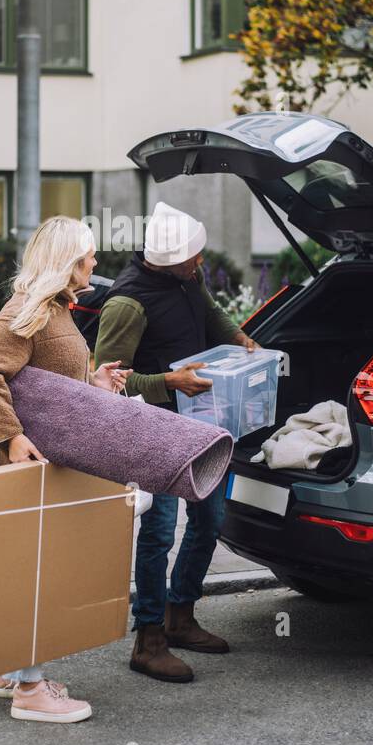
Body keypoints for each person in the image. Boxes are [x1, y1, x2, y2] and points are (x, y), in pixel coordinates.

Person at [0, 216, 130, 724]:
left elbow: (43, 381)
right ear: (69, 261)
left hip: (45, 467)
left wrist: (91, 381)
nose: (96, 263)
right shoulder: (29, 309)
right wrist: (9, 438)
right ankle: (32, 691)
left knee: (25, 569)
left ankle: (11, 671)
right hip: (28, 467)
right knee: (38, 574)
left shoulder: (54, 309)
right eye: (90, 255)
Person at [94, 201, 258, 685]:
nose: (200, 263)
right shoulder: (127, 304)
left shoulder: (187, 278)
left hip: (201, 421)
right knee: (160, 532)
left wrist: (242, 339)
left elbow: (209, 315)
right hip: (154, 429)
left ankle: (180, 615)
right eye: (193, 259)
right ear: (167, 261)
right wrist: (170, 381)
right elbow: (110, 383)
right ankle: (148, 640)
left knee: (211, 518)